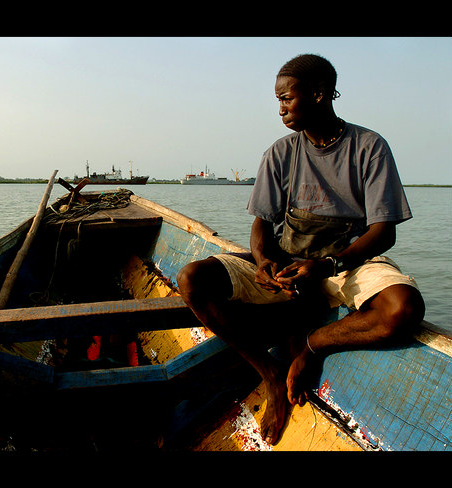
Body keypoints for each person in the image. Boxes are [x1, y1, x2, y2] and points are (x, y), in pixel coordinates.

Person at [177, 54, 425, 446]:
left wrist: (326, 265)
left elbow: (383, 232)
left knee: (403, 309)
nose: (281, 109)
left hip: (346, 264)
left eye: (287, 99)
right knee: (193, 278)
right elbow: (261, 222)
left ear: (319, 94)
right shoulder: (280, 152)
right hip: (289, 265)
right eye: (278, 101)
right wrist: (262, 263)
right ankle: (270, 373)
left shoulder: (368, 147)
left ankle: (310, 346)